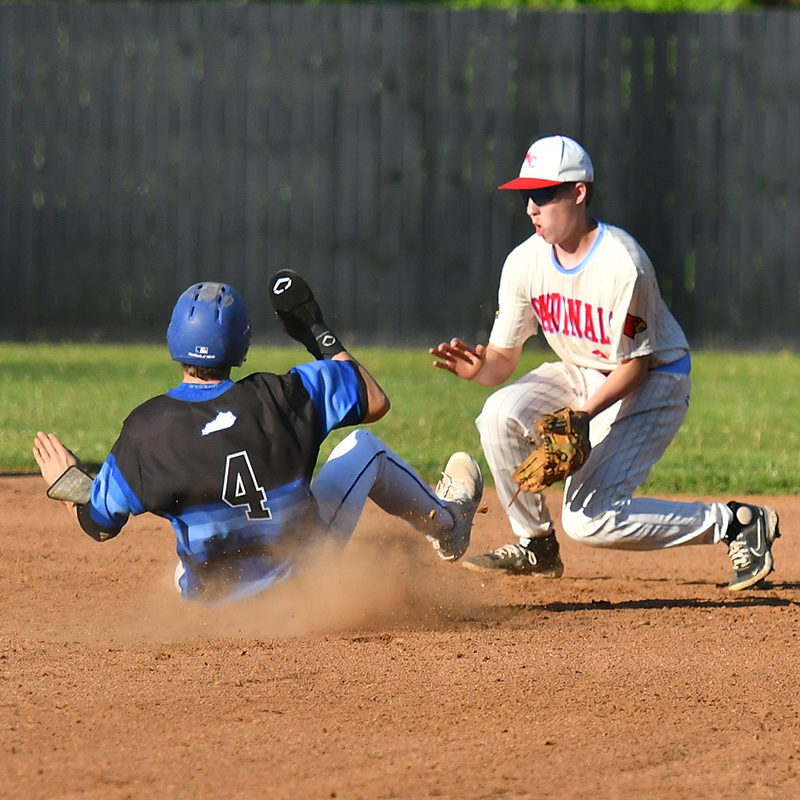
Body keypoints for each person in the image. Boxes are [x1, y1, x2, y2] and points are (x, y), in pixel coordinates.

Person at [430, 134, 779, 591]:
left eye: (542, 194)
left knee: (588, 517)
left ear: (578, 193)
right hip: (583, 370)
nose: (530, 207)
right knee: (496, 414)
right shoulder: (523, 262)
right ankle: (535, 545)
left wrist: (582, 415)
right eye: (525, 195)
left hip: (654, 380)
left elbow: (634, 367)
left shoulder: (623, 264)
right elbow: (501, 361)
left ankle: (734, 522)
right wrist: (479, 369)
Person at [34, 274, 483, 604]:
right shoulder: (282, 395)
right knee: (365, 449)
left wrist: (70, 484)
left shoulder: (145, 429)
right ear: (241, 345)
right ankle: (448, 525)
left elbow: (98, 523)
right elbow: (373, 399)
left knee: (190, 561)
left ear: (173, 340)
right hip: (300, 582)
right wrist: (313, 330)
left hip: (213, 603)